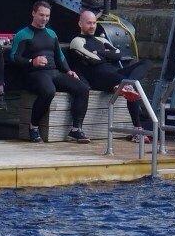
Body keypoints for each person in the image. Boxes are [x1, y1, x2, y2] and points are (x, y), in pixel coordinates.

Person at [9, 0, 90, 143]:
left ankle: (76, 129)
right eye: (41, 15)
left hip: (54, 72)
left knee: (82, 88)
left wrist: (68, 71)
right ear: (33, 13)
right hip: (34, 73)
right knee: (48, 91)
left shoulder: (51, 34)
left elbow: (60, 56)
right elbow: (13, 57)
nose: (44, 18)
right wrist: (32, 61)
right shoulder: (23, 34)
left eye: (47, 16)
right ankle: (33, 127)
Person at [65, 9, 154, 139]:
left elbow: (119, 54)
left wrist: (99, 52)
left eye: (94, 23)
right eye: (89, 23)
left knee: (146, 63)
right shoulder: (77, 41)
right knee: (126, 82)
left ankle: (127, 85)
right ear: (80, 24)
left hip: (114, 74)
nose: (92, 26)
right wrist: (106, 54)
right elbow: (94, 60)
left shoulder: (101, 40)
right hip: (96, 77)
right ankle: (137, 127)